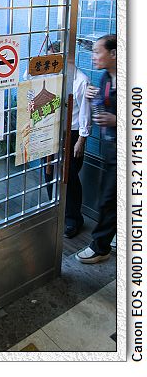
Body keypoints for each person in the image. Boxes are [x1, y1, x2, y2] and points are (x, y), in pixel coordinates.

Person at [42, 41, 91, 237]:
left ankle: (73, 219)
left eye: (52, 57)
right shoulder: (51, 75)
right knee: (48, 170)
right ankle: (54, 210)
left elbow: (85, 113)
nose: (49, 61)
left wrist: (81, 140)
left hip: (72, 134)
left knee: (69, 177)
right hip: (50, 130)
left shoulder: (81, 80)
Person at [75, 34, 117, 263]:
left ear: (114, 53)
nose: (93, 57)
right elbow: (105, 107)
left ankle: (100, 247)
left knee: (108, 199)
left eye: (97, 52)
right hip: (111, 149)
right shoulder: (106, 78)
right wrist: (95, 96)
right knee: (109, 198)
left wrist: (117, 120)